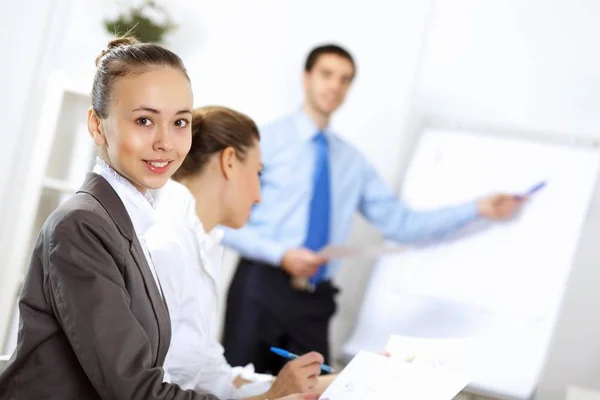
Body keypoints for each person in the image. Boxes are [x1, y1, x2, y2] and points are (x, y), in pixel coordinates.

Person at [0, 37, 311, 400]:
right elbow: (135, 392)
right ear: (97, 126)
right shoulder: (82, 226)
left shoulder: (129, 224)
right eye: (145, 120)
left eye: (180, 122)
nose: (166, 142)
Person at [220, 44, 525, 375]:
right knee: (238, 389)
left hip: (314, 301)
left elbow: (401, 223)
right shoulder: (263, 141)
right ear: (306, 78)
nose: (335, 86)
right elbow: (221, 219)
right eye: (326, 74)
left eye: (345, 79)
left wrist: (477, 207)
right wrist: (280, 254)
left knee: (317, 391)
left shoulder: (352, 162)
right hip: (259, 290)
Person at [146, 106, 331, 400]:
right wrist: (272, 397)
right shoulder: (163, 251)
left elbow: (216, 379)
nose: (259, 195)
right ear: (229, 162)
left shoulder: (199, 250)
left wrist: (337, 379)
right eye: (259, 173)